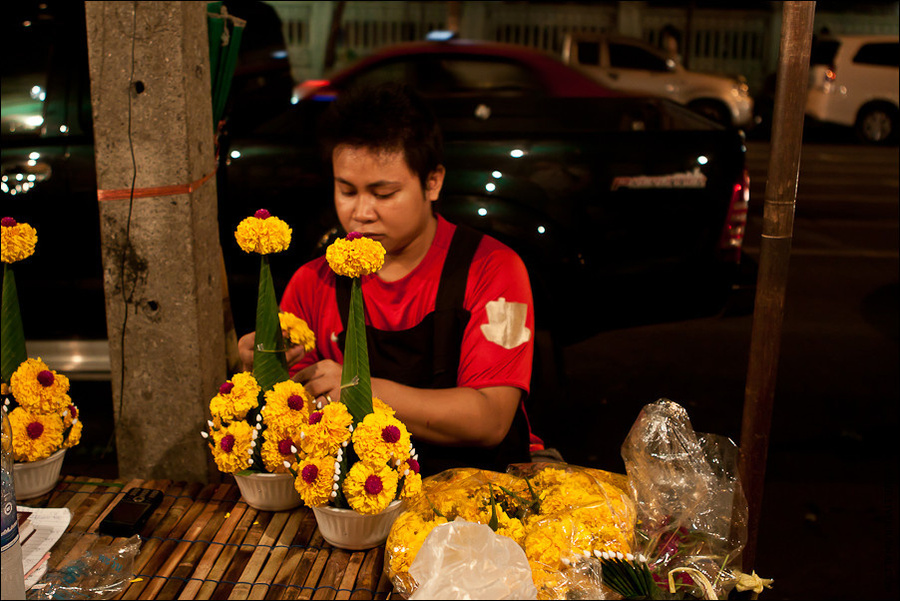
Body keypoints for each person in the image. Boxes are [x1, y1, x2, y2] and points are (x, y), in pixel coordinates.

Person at [238, 83, 535, 476]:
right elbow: (294, 420)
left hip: (479, 485)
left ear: (433, 182)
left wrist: (358, 387)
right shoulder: (313, 283)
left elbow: (490, 420)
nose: (361, 213)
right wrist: (265, 366)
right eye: (347, 190)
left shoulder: (495, 269)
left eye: (384, 193)